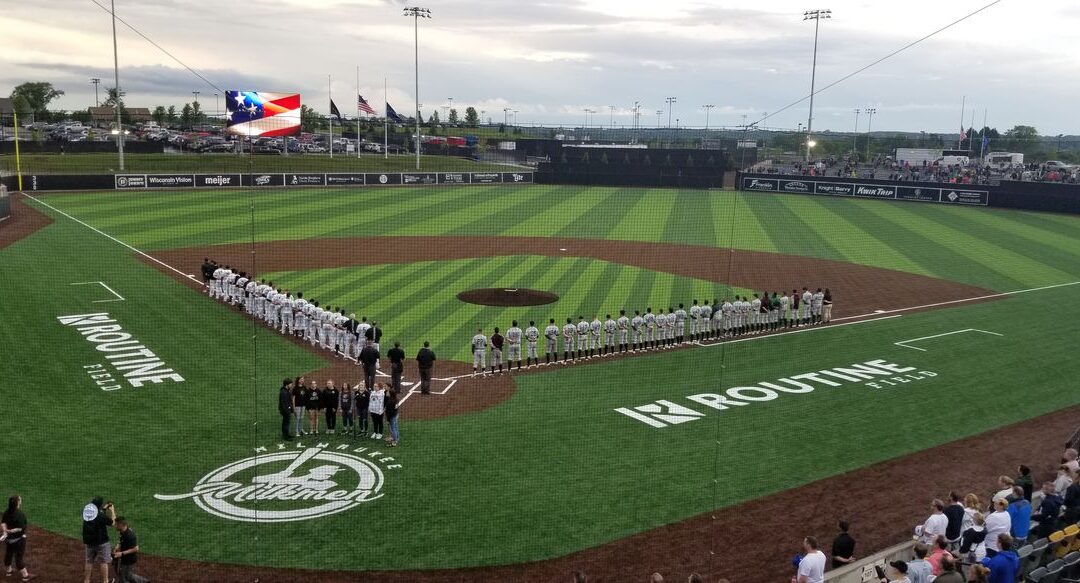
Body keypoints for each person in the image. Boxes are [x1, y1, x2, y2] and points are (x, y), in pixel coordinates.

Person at [82, 497, 115, 583]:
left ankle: (86, 581)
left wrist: (104, 508)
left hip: (89, 542)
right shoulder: (100, 516)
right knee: (104, 562)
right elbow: (113, 523)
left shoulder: (87, 512)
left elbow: (98, 515)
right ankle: (105, 581)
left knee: (89, 562)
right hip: (101, 542)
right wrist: (112, 510)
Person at [2, 495, 35, 581]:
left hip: (8, 539)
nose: (21, 501)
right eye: (19, 500)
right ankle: (25, 576)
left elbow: (3, 523)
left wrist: (5, 531)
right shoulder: (20, 514)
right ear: (17, 503)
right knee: (19, 557)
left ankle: (8, 571)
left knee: (8, 554)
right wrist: (10, 531)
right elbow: (20, 528)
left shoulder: (6, 512)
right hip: (18, 540)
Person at [113, 517, 148, 583]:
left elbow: (136, 548)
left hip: (129, 560)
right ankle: (144, 581)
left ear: (121, 525)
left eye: (116, 524)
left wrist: (121, 553)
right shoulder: (122, 531)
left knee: (124, 578)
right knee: (128, 575)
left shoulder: (130, 535)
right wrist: (117, 547)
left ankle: (143, 581)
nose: (115, 526)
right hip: (124, 558)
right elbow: (121, 541)